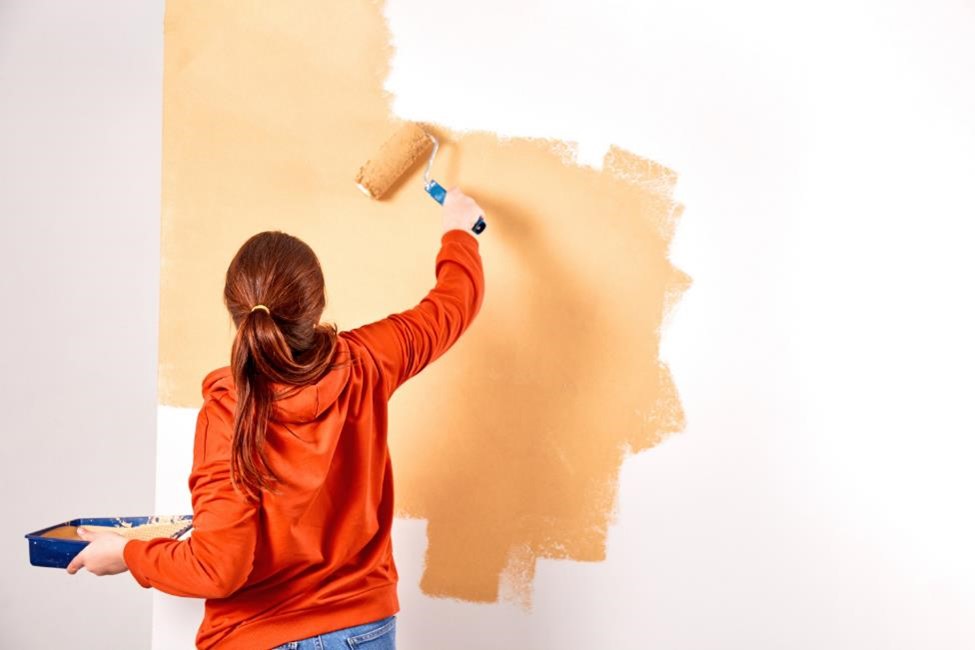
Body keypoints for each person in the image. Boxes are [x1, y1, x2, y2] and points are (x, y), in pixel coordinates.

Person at [66, 187, 487, 650]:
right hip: (366, 629)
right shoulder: (368, 362)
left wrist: (128, 555)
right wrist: (459, 229)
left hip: (259, 637)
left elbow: (217, 568)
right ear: (316, 306)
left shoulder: (228, 411)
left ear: (234, 311)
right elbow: (451, 305)